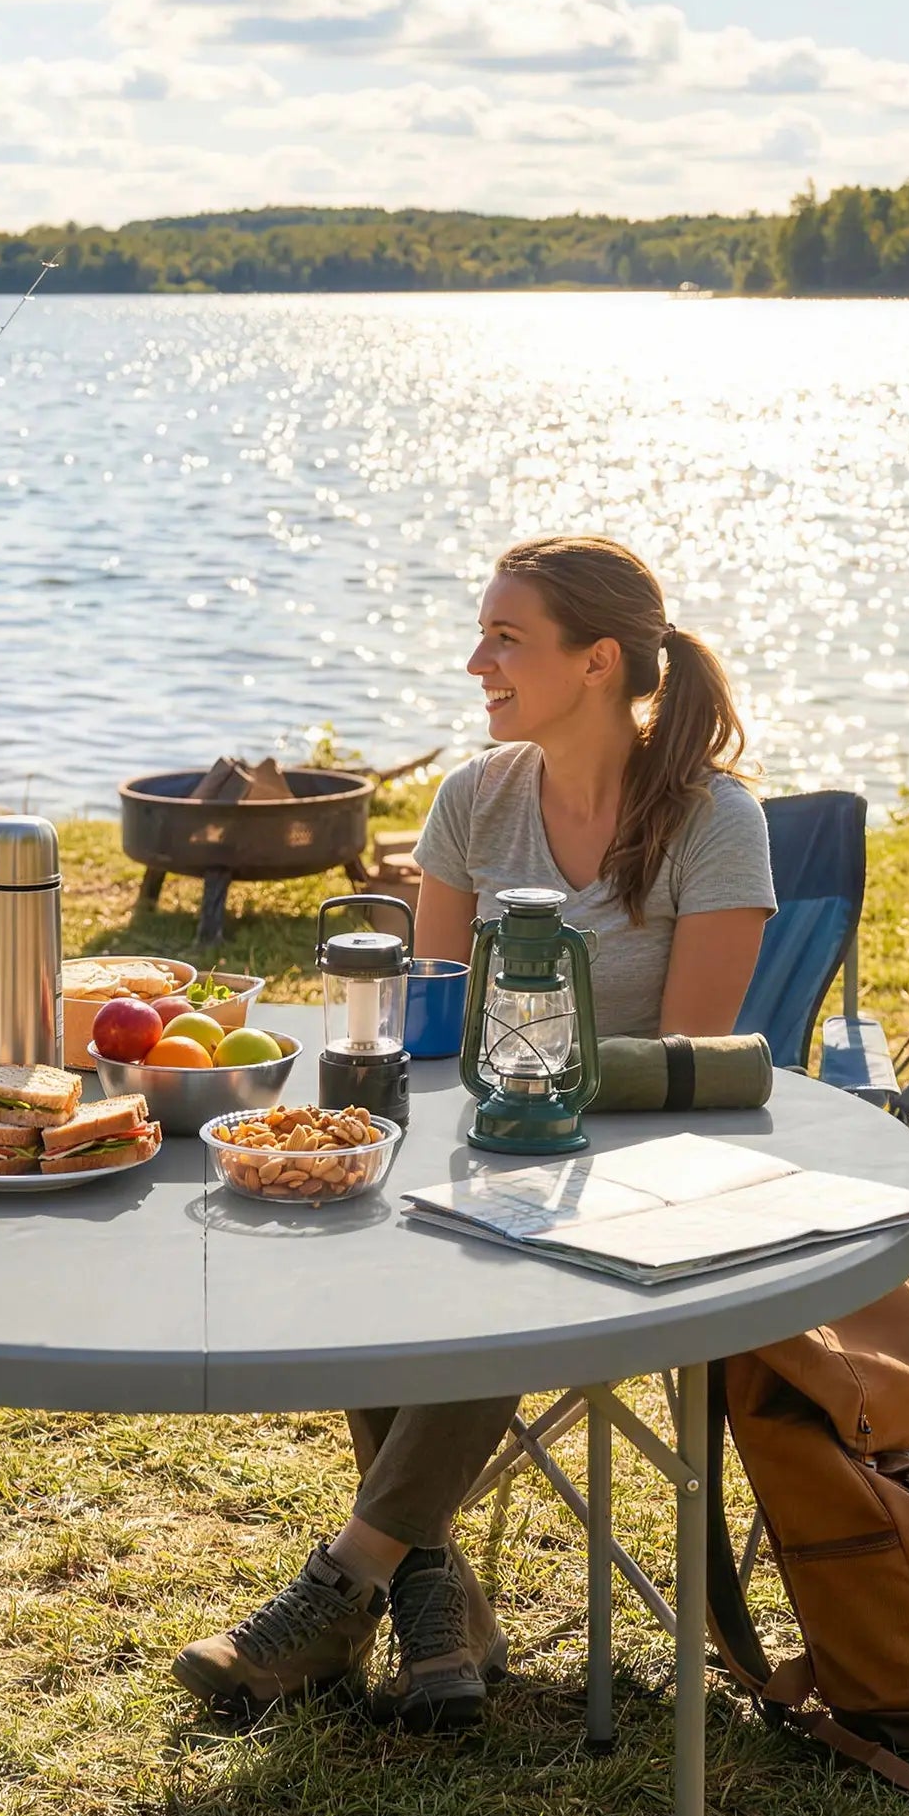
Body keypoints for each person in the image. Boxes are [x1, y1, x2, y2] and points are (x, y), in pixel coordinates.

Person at [173, 534, 775, 1731]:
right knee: (366, 1218)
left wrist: (536, 1096)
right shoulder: (473, 799)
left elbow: (690, 1063)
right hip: (483, 1156)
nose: (474, 660)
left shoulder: (713, 819)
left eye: (506, 637)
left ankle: (342, 1585)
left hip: (636, 1183)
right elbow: (429, 1025)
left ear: (596, 659)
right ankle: (434, 1593)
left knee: (486, 1268)